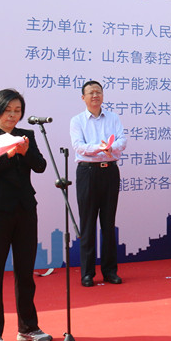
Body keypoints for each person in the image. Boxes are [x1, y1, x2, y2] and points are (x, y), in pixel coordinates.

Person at [0, 89, 52, 341]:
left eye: (17, 111)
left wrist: (25, 152)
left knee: (25, 273)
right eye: (8, 110)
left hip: (25, 209)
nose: (13, 115)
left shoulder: (26, 135)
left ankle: (28, 327)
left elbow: (40, 166)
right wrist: (6, 156)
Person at [70, 80, 127, 287]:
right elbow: (78, 146)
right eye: (91, 92)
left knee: (108, 223)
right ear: (83, 97)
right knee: (87, 223)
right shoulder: (77, 121)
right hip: (88, 173)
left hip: (109, 172)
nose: (95, 95)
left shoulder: (113, 117)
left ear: (103, 95)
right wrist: (100, 148)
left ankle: (110, 271)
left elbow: (122, 141)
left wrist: (111, 148)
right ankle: (87, 273)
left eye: (98, 92)